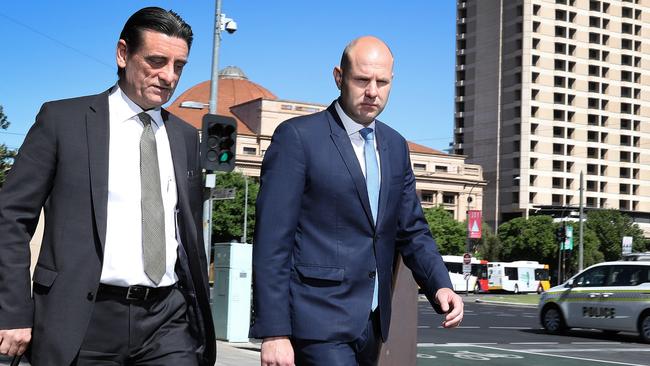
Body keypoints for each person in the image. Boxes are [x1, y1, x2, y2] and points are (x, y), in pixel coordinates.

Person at [0, 7, 215, 366]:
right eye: (157, 61)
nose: (169, 76)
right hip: (84, 319)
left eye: (179, 65)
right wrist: (13, 310)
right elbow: (10, 217)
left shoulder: (184, 136)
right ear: (122, 53)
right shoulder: (63, 121)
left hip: (168, 321)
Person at [249, 36, 464, 366]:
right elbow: (272, 242)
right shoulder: (298, 138)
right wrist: (274, 332)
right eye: (362, 80)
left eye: (382, 82)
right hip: (316, 322)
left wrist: (440, 285)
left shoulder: (394, 145)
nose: (373, 92)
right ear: (338, 77)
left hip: (374, 324)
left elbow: (412, 229)